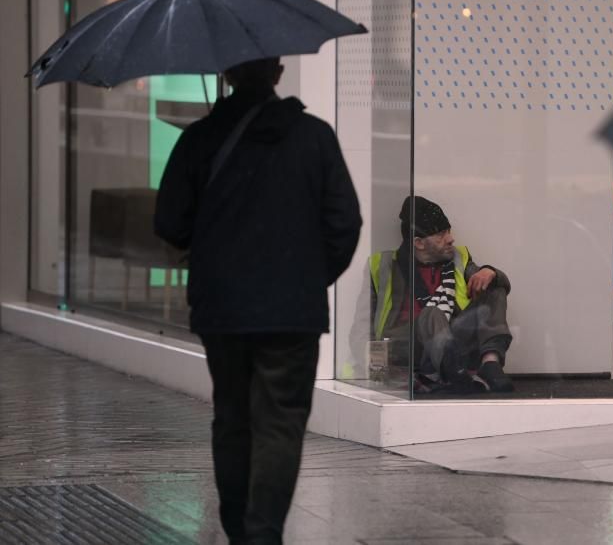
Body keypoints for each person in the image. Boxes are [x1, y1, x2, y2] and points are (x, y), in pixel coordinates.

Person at [154, 57, 362, 544]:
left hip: (222, 309)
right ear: (278, 72)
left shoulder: (200, 138)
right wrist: (309, 277)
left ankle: (237, 532)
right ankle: (262, 534)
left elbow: (169, 223)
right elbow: (344, 223)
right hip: (292, 312)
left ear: (226, 74)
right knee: (279, 424)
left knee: (232, 419)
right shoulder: (314, 136)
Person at [368, 196, 514, 393]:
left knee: (493, 287)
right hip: (407, 347)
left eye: (449, 231)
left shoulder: (458, 258)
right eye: (441, 234)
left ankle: (490, 364)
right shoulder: (383, 265)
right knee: (432, 313)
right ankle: (454, 375)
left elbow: (494, 280)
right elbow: (362, 324)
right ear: (419, 243)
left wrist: (490, 272)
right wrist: (370, 370)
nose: (451, 238)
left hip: (452, 341)